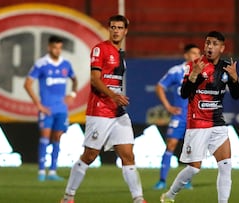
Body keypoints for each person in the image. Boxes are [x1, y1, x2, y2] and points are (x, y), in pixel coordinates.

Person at [61, 15, 146, 203]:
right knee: (90, 155)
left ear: (125, 31)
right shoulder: (100, 49)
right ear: (109, 29)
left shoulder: (120, 54)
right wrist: (114, 96)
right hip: (100, 110)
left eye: (120, 27)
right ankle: (68, 196)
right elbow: (94, 79)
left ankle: (138, 199)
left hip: (118, 113)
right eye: (113, 27)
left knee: (128, 155)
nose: (116, 30)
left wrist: (118, 98)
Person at [160, 31, 239, 203]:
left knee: (226, 166)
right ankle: (170, 195)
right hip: (197, 124)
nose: (210, 47)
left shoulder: (226, 67)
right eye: (208, 43)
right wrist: (194, 75)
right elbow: (183, 93)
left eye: (214, 44)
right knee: (194, 169)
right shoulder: (194, 65)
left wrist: (234, 80)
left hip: (218, 123)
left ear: (222, 48)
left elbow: (236, 95)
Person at [24, 36, 77, 181]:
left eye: (60, 48)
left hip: (62, 109)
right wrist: (38, 105)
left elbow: (74, 79)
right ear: (49, 47)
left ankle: (52, 172)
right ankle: (41, 172)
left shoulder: (66, 64)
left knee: (57, 138)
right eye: (55, 47)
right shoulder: (41, 64)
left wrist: (72, 93)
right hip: (46, 108)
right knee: (44, 137)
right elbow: (27, 84)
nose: (57, 50)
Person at [153, 44, 200, 190]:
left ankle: (187, 181)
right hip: (179, 116)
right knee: (171, 145)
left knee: (192, 149)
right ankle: (162, 180)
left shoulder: (204, 72)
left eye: (198, 53)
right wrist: (168, 106)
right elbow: (160, 87)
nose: (196, 56)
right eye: (193, 53)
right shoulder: (177, 71)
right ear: (186, 55)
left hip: (195, 117)